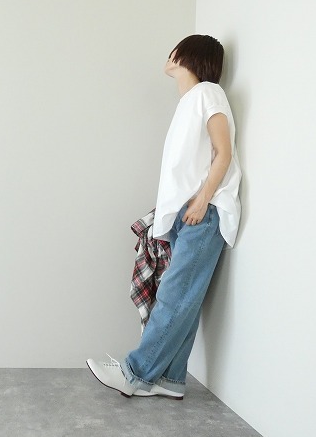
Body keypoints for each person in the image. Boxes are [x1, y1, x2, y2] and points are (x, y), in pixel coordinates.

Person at [86, 34, 242, 400]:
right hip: (189, 215)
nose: (169, 55)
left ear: (189, 55)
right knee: (184, 300)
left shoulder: (207, 93)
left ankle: (135, 373)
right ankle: (170, 379)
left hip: (202, 213)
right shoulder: (191, 101)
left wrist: (202, 201)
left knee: (174, 296)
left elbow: (223, 151)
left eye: (177, 49)